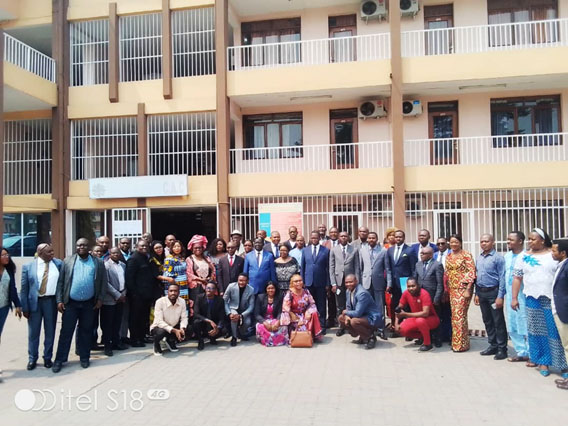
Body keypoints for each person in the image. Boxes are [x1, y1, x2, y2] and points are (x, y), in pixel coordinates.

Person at [512, 228, 567, 377]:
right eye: (529, 239)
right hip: (532, 298)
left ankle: (563, 365)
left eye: (533, 239)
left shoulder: (553, 255)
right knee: (537, 331)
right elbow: (517, 278)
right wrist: (514, 298)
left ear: (542, 240)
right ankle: (543, 362)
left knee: (555, 331)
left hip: (552, 299)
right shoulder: (523, 257)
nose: (530, 241)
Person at [52, 238, 106, 373]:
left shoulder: (98, 262)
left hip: (89, 304)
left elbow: (103, 282)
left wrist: (100, 299)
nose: (81, 247)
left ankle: (84, 357)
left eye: (84, 245)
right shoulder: (68, 261)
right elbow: (61, 282)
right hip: (70, 304)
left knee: (86, 332)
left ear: (89, 247)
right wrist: (59, 300)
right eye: (78, 245)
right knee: (66, 332)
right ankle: (59, 360)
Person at [20, 243, 62, 370]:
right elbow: (24, 289)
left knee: (50, 331)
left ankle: (47, 357)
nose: (52, 254)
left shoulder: (58, 264)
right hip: (35, 303)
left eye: (52, 251)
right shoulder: (28, 267)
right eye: (49, 252)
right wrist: (24, 307)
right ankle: (32, 358)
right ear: (40, 253)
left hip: (50, 302)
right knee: (33, 333)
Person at [475, 234, 508, 360]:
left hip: (493, 293)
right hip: (482, 293)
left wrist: (500, 296)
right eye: (482, 241)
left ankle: (502, 348)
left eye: (486, 241)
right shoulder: (479, 257)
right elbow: (477, 276)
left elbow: (502, 278)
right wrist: (476, 293)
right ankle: (493, 345)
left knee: (498, 321)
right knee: (487, 320)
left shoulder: (498, 258)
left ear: (493, 242)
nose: (484, 243)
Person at [126, 239, 160, 348]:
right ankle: (135, 339)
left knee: (144, 317)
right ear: (137, 247)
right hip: (137, 296)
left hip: (146, 295)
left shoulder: (146, 257)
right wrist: (134, 294)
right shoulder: (133, 259)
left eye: (146, 246)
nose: (144, 247)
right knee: (135, 318)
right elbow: (129, 278)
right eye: (142, 246)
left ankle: (142, 337)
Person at [445, 234, 476, 352]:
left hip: (463, 288)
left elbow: (471, 272)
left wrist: (468, 289)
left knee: (459, 316)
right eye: (452, 242)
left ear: (460, 243)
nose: (454, 244)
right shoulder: (448, 256)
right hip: (452, 289)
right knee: (455, 316)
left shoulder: (466, 255)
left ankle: (459, 345)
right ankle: (462, 342)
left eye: (456, 242)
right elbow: (447, 272)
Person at [395, 277, 440, 352]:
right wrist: (396, 324)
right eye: (409, 286)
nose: (411, 288)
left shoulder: (424, 294)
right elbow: (398, 309)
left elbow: (425, 313)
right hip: (415, 318)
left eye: (413, 286)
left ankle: (428, 344)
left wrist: (406, 314)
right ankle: (423, 337)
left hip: (431, 318)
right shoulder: (406, 293)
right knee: (401, 329)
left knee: (420, 321)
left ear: (418, 285)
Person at [504, 231, 529, 363]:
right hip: (510, 295)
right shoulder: (507, 256)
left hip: (523, 295)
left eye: (511, 240)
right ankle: (521, 351)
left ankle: (531, 352)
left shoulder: (527, 256)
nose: (508, 242)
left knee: (525, 323)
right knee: (512, 323)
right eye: (508, 239)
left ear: (520, 241)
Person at [338, 274, 382, 349]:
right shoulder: (348, 291)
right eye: (346, 282)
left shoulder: (362, 293)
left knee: (354, 322)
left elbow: (358, 313)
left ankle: (371, 337)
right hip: (362, 316)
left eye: (351, 282)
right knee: (341, 318)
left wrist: (346, 312)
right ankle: (362, 336)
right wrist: (347, 316)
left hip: (372, 318)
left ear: (356, 281)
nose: (348, 284)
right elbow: (348, 307)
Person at [330, 231, 360, 336]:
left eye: (345, 236)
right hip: (338, 281)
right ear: (339, 237)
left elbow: (356, 267)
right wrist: (333, 283)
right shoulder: (334, 250)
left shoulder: (354, 249)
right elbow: (331, 267)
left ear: (348, 237)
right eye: (341, 236)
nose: (343, 237)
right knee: (340, 305)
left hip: (351, 282)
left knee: (352, 303)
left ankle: (352, 325)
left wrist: (357, 281)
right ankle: (341, 326)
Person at [413, 246, 444, 347]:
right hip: (420, 297)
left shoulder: (437, 265)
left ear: (430, 255)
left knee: (435, 318)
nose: (421, 255)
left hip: (432, 296)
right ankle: (423, 337)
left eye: (424, 253)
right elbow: (415, 280)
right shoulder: (418, 264)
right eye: (421, 253)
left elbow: (440, 284)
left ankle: (437, 338)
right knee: (422, 318)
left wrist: (437, 298)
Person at [387, 230, 416, 331]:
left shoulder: (410, 250)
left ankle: (408, 328)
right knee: (395, 304)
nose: (398, 238)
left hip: (405, 282)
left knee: (407, 305)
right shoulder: (390, 250)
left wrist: (413, 282)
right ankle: (396, 326)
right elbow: (389, 268)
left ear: (404, 238)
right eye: (396, 237)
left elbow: (413, 268)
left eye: (400, 237)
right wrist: (389, 283)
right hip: (394, 283)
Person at [0, 247, 22, 379]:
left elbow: (12, 288)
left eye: (7, 255)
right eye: (3, 255)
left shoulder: (8, 270)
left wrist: (18, 305)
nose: (6, 257)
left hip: (3, 308)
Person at [301, 231, 330, 334]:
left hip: (321, 282)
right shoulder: (305, 250)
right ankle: (310, 325)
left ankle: (322, 326)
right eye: (312, 238)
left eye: (316, 238)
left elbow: (328, 268)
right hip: (308, 282)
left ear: (319, 238)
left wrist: (328, 283)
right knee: (309, 305)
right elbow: (303, 267)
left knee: (321, 305)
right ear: (310, 238)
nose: (314, 239)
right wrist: (302, 281)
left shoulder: (325, 250)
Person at [359, 232, 391, 323]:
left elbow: (387, 268)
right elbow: (360, 268)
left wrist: (389, 283)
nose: (371, 240)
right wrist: (360, 283)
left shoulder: (383, 251)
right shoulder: (362, 250)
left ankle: (380, 326)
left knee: (380, 305)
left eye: (373, 238)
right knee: (367, 305)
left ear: (377, 239)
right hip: (366, 282)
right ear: (367, 239)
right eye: (369, 238)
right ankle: (370, 326)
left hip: (379, 282)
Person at [101, 247, 127, 356]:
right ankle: (107, 346)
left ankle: (116, 343)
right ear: (110, 254)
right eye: (113, 253)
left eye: (118, 253)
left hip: (121, 297)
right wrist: (117, 295)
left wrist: (123, 294)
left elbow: (125, 280)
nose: (116, 254)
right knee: (108, 324)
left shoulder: (123, 265)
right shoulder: (106, 265)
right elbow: (106, 283)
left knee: (117, 322)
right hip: (109, 299)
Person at [280, 274, 322, 341]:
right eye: (296, 281)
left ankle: (312, 336)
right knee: (286, 316)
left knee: (314, 313)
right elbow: (285, 307)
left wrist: (308, 311)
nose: (298, 283)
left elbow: (312, 303)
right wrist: (292, 315)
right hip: (293, 316)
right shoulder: (289, 293)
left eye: (300, 281)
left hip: (304, 314)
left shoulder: (306, 291)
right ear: (292, 283)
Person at [150, 283, 188, 355]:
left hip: (173, 326)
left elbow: (184, 318)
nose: (173, 293)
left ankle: (170, 340)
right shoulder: (160, 302)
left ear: (179, 292)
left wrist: (182, 328)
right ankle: (156, 344)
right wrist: (174, 330)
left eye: (175, 291)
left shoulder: (182, 301)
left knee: (189, 328)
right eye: (171, 291)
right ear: (167, 292)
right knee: (161, 332)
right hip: (159, 327)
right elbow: (159, 321)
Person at [551, 239, 568, 388]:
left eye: (554, 251)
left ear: (563, 253)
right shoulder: (561, 265)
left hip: (564, 312)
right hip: (559, 310)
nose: (551, 253)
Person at [223, 273, 255, 346]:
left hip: (244, 310)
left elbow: (251, 306)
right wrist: (229, 313)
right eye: (240, 280)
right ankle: (234, 337)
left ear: (247, 281)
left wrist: (241, 315)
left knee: (248, 322)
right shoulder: (231, 286)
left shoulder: (251, 290)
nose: (241, 282)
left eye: (244, 281)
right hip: (233, 308)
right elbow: (225, 301)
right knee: (234, 317)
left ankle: (241, 333)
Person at [194, 282, 226, 350]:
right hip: (203, 322)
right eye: (207, 288)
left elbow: (222, 316)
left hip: (214, 324)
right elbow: (196, 314)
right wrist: (209, 321)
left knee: (224, 330)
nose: (209, 290)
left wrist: (217, 328)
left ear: (215, 290)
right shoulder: (199, 297)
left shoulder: (220, 300)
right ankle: (201, 341)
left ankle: (212, 338)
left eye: (211, 288)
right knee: (196, 322)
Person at [255, 281, 288, 347]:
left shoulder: (279, 297)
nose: (270, 290)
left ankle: (276, 341)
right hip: (264, 320)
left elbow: (280, 312)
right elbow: (257, 314)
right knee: (260, 326)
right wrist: (264, 322)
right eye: (269, 288)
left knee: (284, 326)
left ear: (275, 289)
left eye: (272, 288)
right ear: (266, 289)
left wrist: (277, 322)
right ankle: (268, 341)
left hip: (275, 319)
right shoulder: (260, 297)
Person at [186, 235, 216, 301]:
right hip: (196, 287)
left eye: (199, 248)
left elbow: (213, 270)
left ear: (203, 248)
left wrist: (210, 278)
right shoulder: (189, 259)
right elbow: (189, 274)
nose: (198, 249)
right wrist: (201, 280)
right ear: (192, 249)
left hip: (208, 286)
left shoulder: (207, 258)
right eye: (195, 248)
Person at [163, 240, 190, 309]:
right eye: (174, 247)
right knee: (174, 304)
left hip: (184, 286)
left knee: (183, 305)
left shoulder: (182, 258)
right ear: (172, 248)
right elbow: (167, 274)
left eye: (178, 246)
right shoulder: (169, 259)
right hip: (175, 286)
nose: (177, 248)